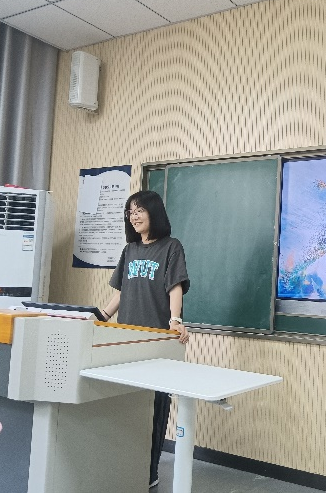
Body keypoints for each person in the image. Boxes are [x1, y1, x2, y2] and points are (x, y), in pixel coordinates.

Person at [100, 190, 190, 489]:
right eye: (130, 212)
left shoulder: (171, 247)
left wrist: (175, 320)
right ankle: (126, 465)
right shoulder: (130, 250)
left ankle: (149, 471)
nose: (134, 216)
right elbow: (122, 291)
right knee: (127, 405)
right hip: (126, 339)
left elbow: (175, 286)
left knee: (155, 408)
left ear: (154, 212)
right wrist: (101, 316)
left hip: (155, 341)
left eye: (139, 210)